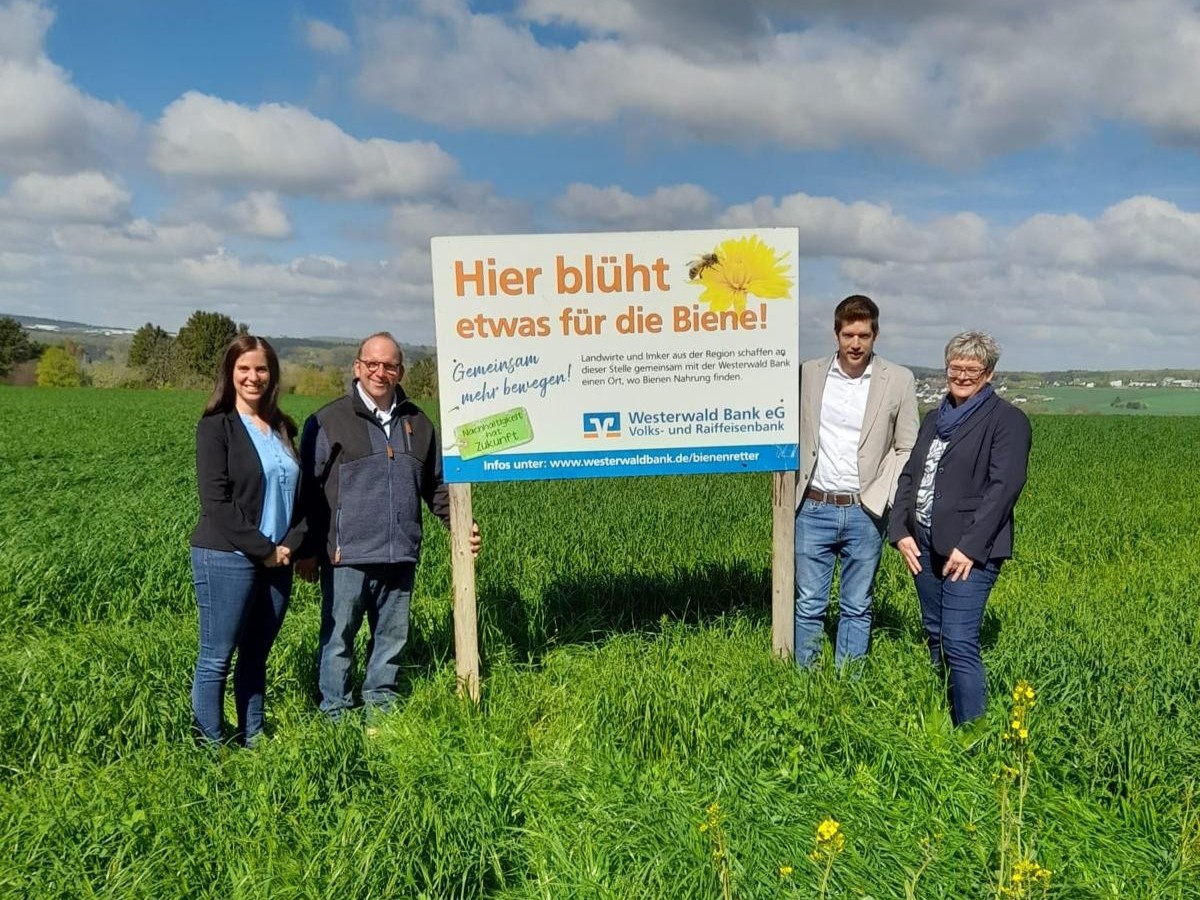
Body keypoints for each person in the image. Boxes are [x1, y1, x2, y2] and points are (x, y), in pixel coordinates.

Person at [297, 332, 480, 718]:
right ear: (357, 367)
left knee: (391, 638)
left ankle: (381, 707)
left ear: (401, 370)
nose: (381, 372)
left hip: (400, 553)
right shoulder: (328, 420)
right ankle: (336, 712)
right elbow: (307, 491)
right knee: (338, 638)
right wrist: (308, 549)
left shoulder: (418, 422)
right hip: (347, 555)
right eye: (373, 364)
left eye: (390, 365)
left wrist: (461, 527)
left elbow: (436, 487)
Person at [889, 332, 1031, 725]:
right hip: (924, 543)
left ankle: (971, 733)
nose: (962, 375)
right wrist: (900, 530)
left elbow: (1004, 488)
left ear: (989, 374)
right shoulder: (935, 419)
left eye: (972, 369)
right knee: (934, 632)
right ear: (946, 367)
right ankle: (942, 712)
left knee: (958, 639)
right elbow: (910, 476)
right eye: (956, 367)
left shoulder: (1007, 421)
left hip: (970, 552)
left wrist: (969, 547)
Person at [189, 335, 304, 746]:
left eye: (261, 369)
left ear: (271, 375)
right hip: (227, 557)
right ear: (230, 373)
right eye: (244, 369)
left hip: (279, 561)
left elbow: (302, 498)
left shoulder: (283, 428)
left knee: (255, 657)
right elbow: (216, 503)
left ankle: (253, 737)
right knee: (216, 658)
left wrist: (289, 545)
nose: (253, 377)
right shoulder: (215, 428)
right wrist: (265, 550)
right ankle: (210, 746)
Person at [794, 295, 919, 668]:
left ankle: (850, 687)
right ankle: (806, 682)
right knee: (809, 602)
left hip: (866, 510)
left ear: (875, 335)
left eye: (863, 335)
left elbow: (907, 447)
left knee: (857, 605)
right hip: (813, 506)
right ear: (836, 333)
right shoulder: (809, 373)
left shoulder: (898, 379)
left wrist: (883, 497)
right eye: (848, 334)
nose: (855, 343)